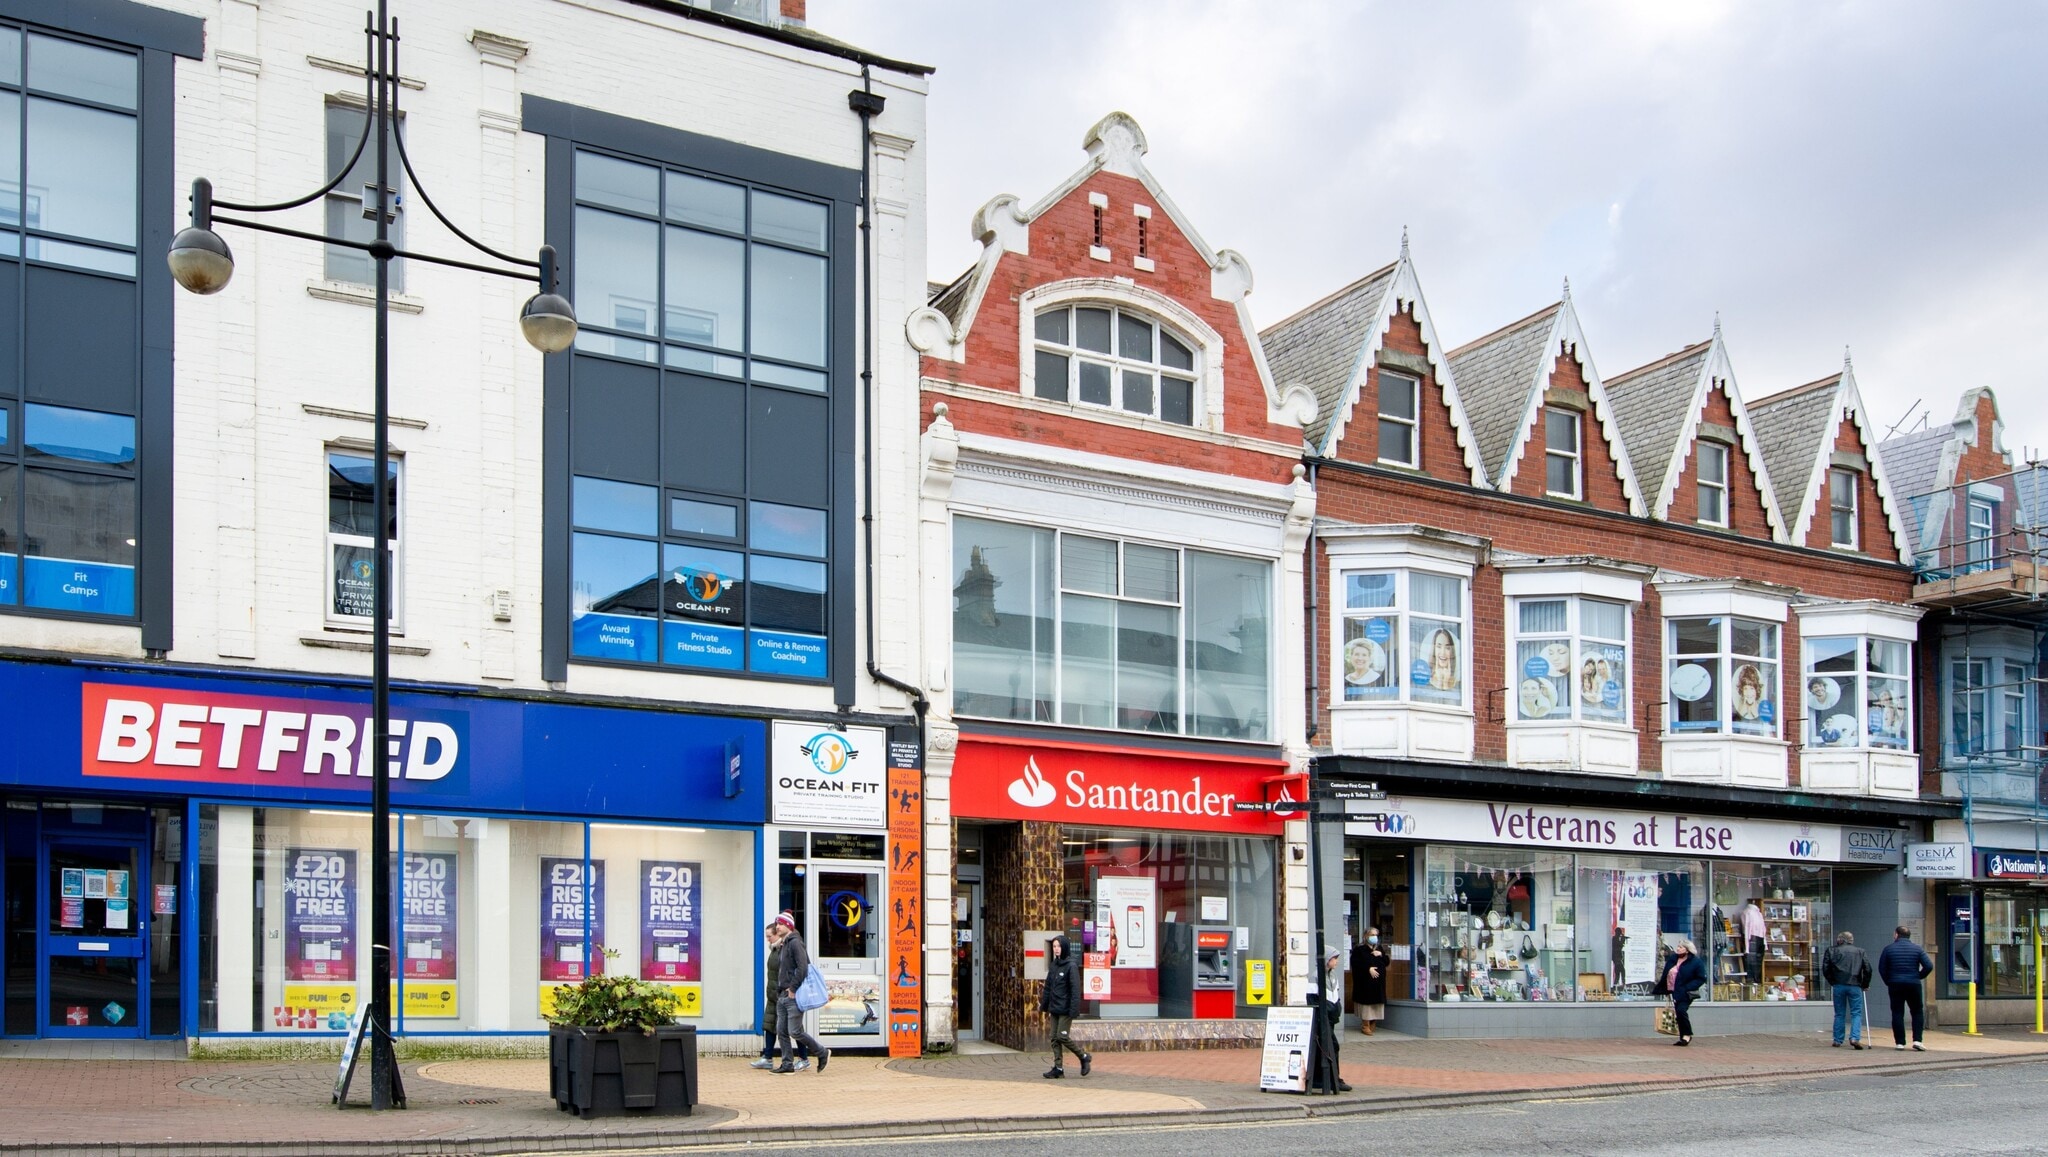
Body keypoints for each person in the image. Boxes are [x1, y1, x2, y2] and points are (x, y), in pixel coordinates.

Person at [771, 910, 827, 1074]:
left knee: (794, 1031)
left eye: (780, 924)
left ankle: (821, 1052)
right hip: (782, 994)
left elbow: (802, 967)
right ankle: (787, 1064)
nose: (777, 926)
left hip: (792, 995)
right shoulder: (785, 943)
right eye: (777, 923)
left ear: (788, 925)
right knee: (781, 1032)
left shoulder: (795, 943)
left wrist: (793, 989)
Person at [752, 921, 810, 1070]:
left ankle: (805, 1057)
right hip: (774, 994)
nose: (767, 939)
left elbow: (798, 968)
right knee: (769, 1025)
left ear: (778, 934)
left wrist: (791, 989)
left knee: (794, 1029)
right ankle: (768, 1057)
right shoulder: (775, 949)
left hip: (784, 994)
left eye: (769, 936)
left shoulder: (788, 948)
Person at [1038, 933, 1090, 1078]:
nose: (1056, 949)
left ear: (1064, 947)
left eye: (1059, 946)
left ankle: (1083, 1056)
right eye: (1054, 946)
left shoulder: (1071, 966)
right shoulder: (1054, 965)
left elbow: (1075, 990)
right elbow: (1048, 987)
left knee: (1062, 1036)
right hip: (1055, 1007)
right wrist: (1044, 1005)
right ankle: (1058, 1068)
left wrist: (1074, 1010)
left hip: (1066, 1008)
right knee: (1054, 1037)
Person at [1877, 925, 1934, 1051]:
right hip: (1913, 983)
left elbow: (1882, 968)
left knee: (1897, 1012)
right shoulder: (1917, 949)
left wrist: (1889, 981)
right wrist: (1918, 976)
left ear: (1897, 935)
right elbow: (1929, 966)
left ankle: (1900, 1042)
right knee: (1917, 1011)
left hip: (1895, 984)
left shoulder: (1888, 949)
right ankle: (1917, 1040)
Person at [1821, 930, 1873, 1049]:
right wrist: (1865, 984)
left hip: (1839, 984)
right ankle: (1854, 1037)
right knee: (1856, 1013)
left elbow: (1825, 968)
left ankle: (1837, 1039)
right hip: (1855, 985)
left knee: (1839, 1013)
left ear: (1840, 940)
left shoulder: (1831, 950)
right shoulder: (1860, 952)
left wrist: (1832, 981)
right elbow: (1868, 969)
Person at [1654, 938, 1706, 1046]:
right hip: (1673, 991)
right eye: (1678, 946)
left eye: (1681, 947)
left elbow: (1701, 978)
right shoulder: (1673, 959)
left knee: (1681, 1011)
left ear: (1687, 950)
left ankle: (1687, 1035)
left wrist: (1687, 987)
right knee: (1678, 1013)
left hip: (1686, 992)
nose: (1678, 949)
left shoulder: (1696, 962)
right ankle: (1683, 1036)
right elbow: (1666, 973)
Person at [1350, 926, 1391, 1035]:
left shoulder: (1379, 948)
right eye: (1372, 935)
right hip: (1365, 983)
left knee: (1377, 1003)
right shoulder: (1359, 949)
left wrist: (1381, 955)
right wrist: (1368, 968)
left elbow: (1386, 962)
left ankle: (1373, 1022)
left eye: (1376, 935)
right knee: (1367, 1004)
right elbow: (1355, 963)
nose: (1374, 937)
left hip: (1378, 983)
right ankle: (1365, 1024)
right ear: (1366, 936)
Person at [1737, 899, 1767, 994]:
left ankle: (1756, 983)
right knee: (1750, 962)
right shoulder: (1747, 913)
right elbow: (1746, 929)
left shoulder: (1759, 913)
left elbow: (1763, 930)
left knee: (1758, 962)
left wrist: (1765, 943)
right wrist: (1747, 946)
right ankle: (1751, 984)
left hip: (1759, 939)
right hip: (1751, 939)